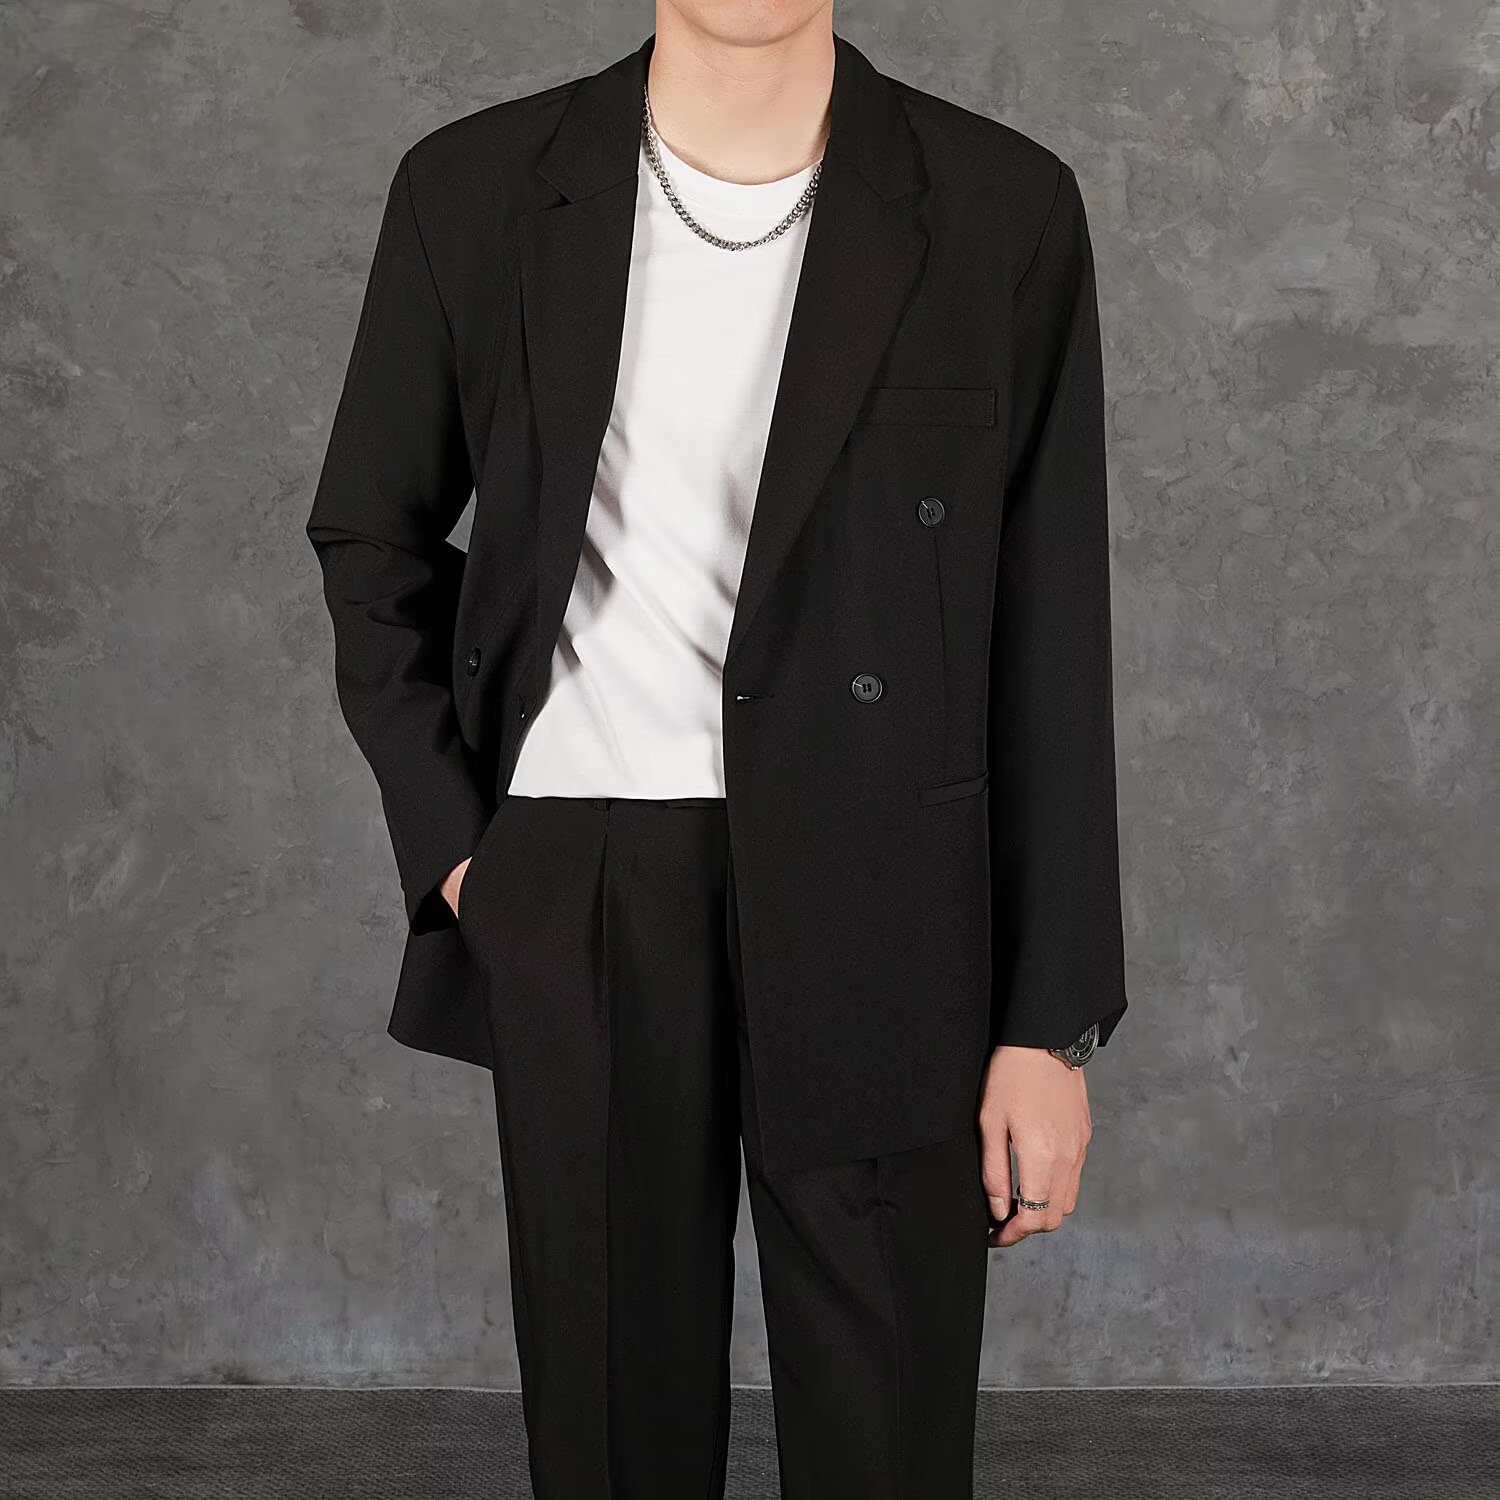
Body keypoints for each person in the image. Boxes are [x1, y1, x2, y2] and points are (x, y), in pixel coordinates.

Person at [306, 6, 1129, 1497]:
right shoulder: (473, 188)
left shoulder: (1001, 206)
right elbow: (372, 538)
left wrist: (1050, 1024)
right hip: (585, 879)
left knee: (888, 1439)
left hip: (891, 889)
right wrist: (467, 854)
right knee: (611, 1433)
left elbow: (1052, 628)